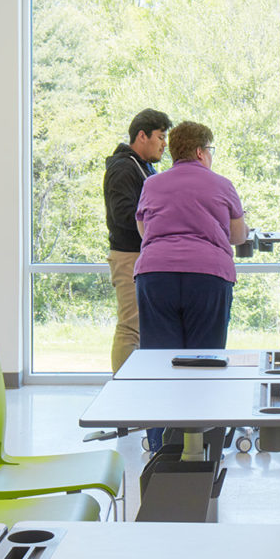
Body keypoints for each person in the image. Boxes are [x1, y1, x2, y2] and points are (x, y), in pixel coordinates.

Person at [135, 121, 248, 450]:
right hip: (207, 277)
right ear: (200, 151)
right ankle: (202, 447)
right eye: (210, 150)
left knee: (159, 363)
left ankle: (161, 447)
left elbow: (144, 230)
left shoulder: (153, 185)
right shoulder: (221, 185)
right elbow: (238, 236)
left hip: (156, 276)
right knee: (205, 362)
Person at [105, 108, 171, 375]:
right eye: (161, 136)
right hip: (129, 256)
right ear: (142, 136)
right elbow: (122, 215)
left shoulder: (145, 168)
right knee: (130, 327)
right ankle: (122, 391)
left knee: (143, 328)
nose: (165, 144)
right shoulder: (123, 168)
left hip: (143, 257)